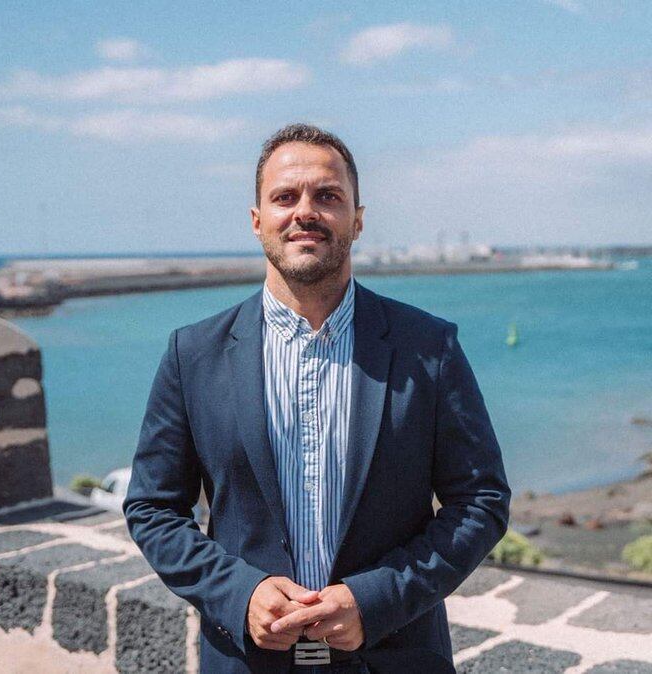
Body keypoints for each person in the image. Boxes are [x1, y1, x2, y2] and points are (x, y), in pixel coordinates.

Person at [123, 123, 511, 674]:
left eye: (328, 196)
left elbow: (481, 500)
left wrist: (375, 599)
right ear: (257, 221)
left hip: (394, 657)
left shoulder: (429, 347)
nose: (305, 211)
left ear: (357, 220)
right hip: (247, 662)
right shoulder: (193, 355)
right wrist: (241, 595)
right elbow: (153, 508)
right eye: (285, 197)